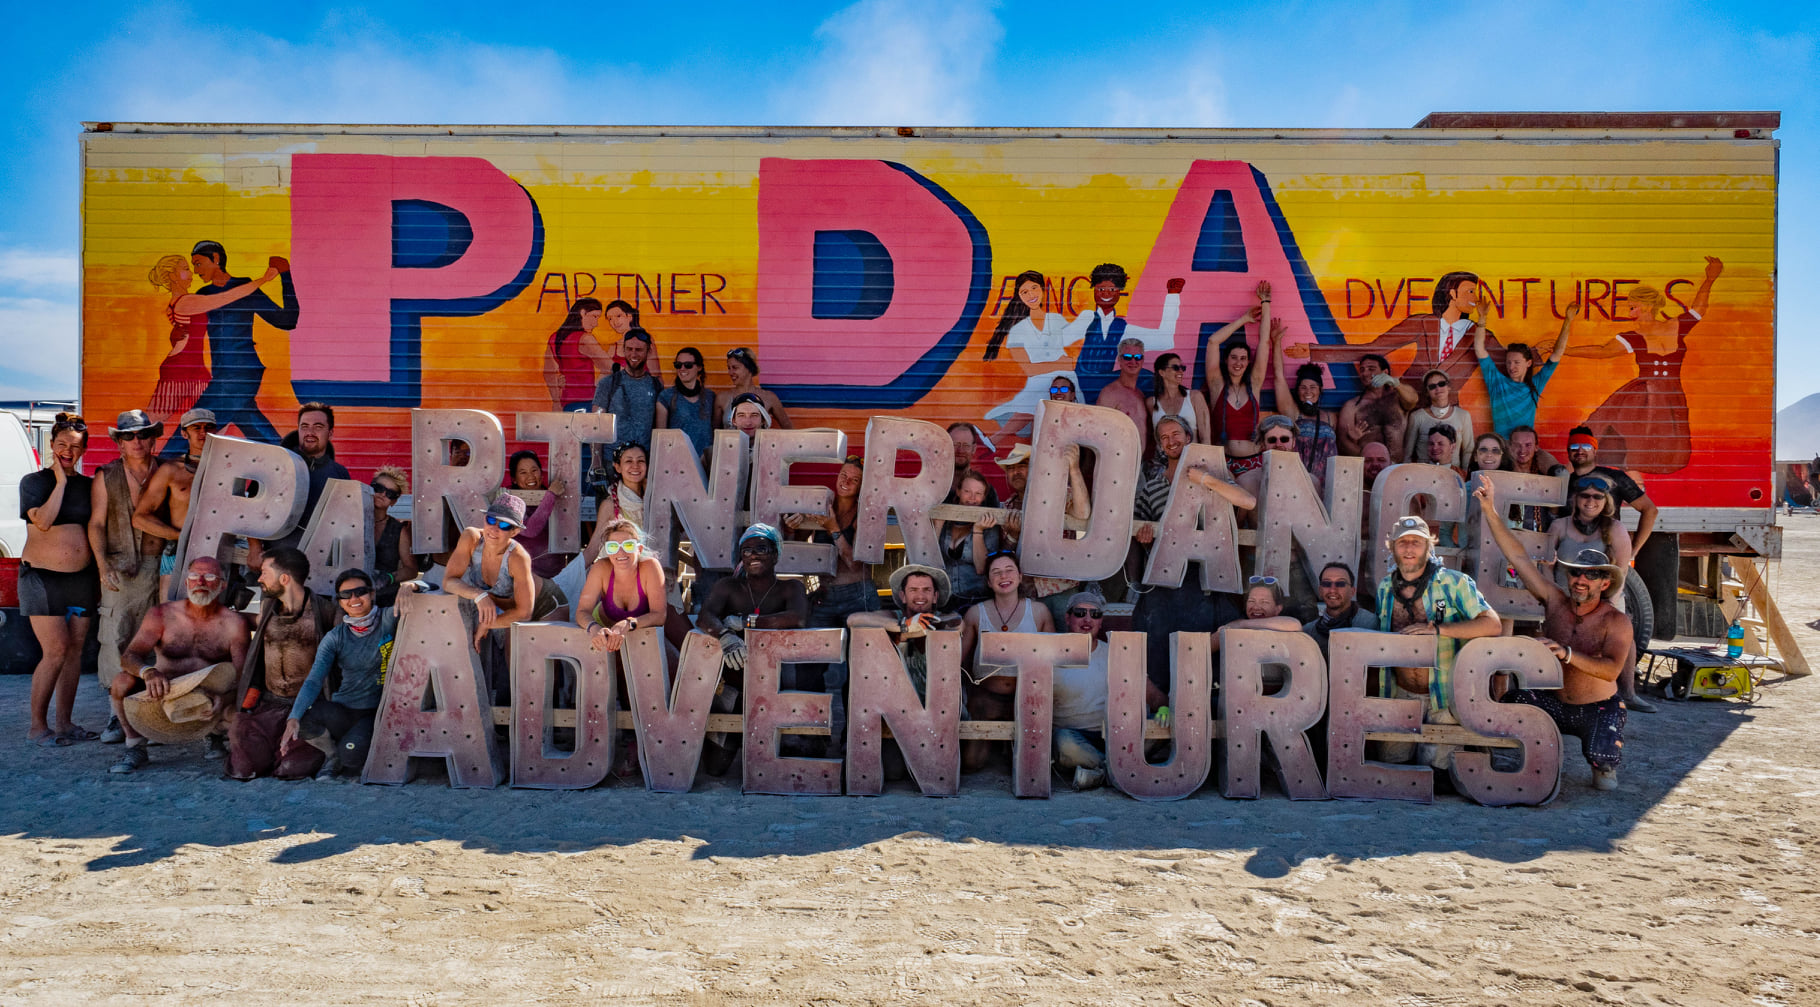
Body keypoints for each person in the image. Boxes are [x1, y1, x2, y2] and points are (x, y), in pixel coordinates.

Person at [1476, 481, 1634, 791]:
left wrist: (1567, 654)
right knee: (1513, 701)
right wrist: (1490, 510)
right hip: (1555, 703)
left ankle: (1601, 762)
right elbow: (1518, 557)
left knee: (1605, 777)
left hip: (1597, 707)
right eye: (1575, 572)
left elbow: (1612, 670)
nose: (1581, 579)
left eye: (1591, 575)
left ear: (1604, 583)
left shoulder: (1616, 621)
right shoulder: (1555, 601)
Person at [1130, 415, 1257, 682]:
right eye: (1164, 438)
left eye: (1176, 434)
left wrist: (1205, 479)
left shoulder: (1214, 473)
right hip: (1166, 585)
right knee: (1162, 661)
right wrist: (1145, 540)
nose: (1171, 441)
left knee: (1207, 665)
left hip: (1210, 582)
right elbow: (1139, 532)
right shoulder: (1152, 487)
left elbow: (1247, 501)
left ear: (1189, 437)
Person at [1567, 257, 1724, 473]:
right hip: (1642, 397)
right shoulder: (1634, 336)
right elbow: (1603, 351)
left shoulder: (1676, 326)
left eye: (1633, 307)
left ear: (1648, 306)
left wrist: (1710, 278)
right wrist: (1566, 350)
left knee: (1665, 438)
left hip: (1670, 394)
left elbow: (1699, 309)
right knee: (1625, 432)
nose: (1629, 312)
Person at [1372, 515, 1502, 770]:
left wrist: (1440, 630)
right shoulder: (1386, 588)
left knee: (1437, 773)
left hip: (1442, 696)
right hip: (1399, 693)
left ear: (1428, 546)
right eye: (1402, 542)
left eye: (1417, 542)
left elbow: (1492, 624)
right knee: (1393, 769)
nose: (1409, 548)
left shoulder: (1454, 583)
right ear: (1392, 547)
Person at [107, 557, 249, 773]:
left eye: (210, 576)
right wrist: (149, 672)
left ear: (222, 585)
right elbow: (129, 656)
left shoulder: (234, 623)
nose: (200, 582)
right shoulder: (162, 614)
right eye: (194, 576)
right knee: (121, 682)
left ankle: (214, 736)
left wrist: (225, 698)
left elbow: (242, 675)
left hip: (208, 697)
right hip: (163, 692)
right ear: (186, 583)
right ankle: (135, 746)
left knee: (241, 710)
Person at [694, 524, 810, 775]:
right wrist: (725, 635)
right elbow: (705, 616)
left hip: (776, 685)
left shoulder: (791, 588)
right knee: (715, 767)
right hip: (735, 684)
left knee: (779, 763)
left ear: (775, 555)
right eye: (746, 551)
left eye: (761, 549)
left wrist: (748, 622)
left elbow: (798, 617)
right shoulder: (728, 586)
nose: (753, 555)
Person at [162, 240, 300, 450]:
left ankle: (162, 464)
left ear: (216, 259)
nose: (196, 271)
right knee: (259, 431)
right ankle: (290, 461)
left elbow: (287, 320)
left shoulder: (245, 288)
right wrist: (177, 334)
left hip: (240, 373)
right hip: (223, 374)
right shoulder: (204, 294)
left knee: (192, 428)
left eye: (198, 263)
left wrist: (285, 275)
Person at [227, 548, 342, 781]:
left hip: (308, 709)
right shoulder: (266, 610)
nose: (260, 579)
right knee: (244, 768)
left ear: (284, 578)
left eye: (264, 573)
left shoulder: (327, 612)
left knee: (290, 768)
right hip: (270, 705)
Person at [1290, 269, 1501, 395]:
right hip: (1406, 403)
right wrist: (1314, 351)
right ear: (1452, 293)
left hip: (1446, 412)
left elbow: (1510, 363)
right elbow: (1374, 349)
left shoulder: (1480, 335)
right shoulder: (1422, 323)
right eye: (1470, 291)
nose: (1476, 298)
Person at [21, 414, 100, 747]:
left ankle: (65, 723)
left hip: (81, 580)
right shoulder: (34, 482)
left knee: (74, 652)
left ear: (84, 450)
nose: (68, 451)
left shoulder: (90, 486)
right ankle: (37, 727)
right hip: (42, 578)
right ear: (52, 445)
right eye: (63, 444)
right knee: (56, 649)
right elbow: (43, 521)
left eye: (76, 446)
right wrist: (61, 482)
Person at [88, 409, 166, 742]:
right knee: (115, 634)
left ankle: (154, 714)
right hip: (121, 566)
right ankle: (115, 714)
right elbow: (96, 523)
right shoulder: (106, 475)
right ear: (119, 443)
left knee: (158, 638)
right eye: (128, 436)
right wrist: (103, 565)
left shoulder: (167, 470)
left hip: (161, 565)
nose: (137, 441)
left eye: (143, 434)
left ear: (153, 439)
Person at [789, 456, 876, 751]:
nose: (846, 481)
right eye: (843, 474)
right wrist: (793, 525)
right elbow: (798, 546)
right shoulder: (820, 505)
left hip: (858, 595)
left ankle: (855, 739)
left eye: (854, 479)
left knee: (862, 669)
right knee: (809, 665)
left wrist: (834, 528)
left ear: (863, 486)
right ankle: (812, 738)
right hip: (823, 595)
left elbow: (855, 562)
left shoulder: (866, 513)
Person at [1549, 473, 1653, 713]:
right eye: (1585, 496)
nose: (1590, 501)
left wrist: (1606, 607)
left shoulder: (1616, 529)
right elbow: (1546, 564)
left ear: (1606, 501)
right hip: (1564, 596)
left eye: (1597, 497)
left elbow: (1621, 572)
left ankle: (1628, 692)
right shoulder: (1559, 526)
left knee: (1621, 630)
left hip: (1603, 597)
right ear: (1575, 499)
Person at [848, 564, 963, 782]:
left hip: (938, 712)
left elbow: (957, 623)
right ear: (902, 595)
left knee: (971, 762)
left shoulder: (947, 617)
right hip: (899, 712)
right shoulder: (892, 616)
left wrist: (920, 629)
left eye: (926, 590)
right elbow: (854, 619)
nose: (920, 596)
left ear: (935, 596)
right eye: (913, 590)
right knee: (894, 771)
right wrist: (903, 626)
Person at [430, 495, 552, 699]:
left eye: (504, 525)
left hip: (545, 605)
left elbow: (524, 612)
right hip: (500, 606)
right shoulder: (471, 537)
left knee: (526, 670)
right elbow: (449, 581)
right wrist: (479, 595)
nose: (494, 528)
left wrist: (486, 625)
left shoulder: (519, 557)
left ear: (515, 531)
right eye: (491, 520)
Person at [280, 568, 398, 779]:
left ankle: (347, 750)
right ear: (340, 602)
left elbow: (430, 588)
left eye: (360, 592)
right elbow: (314, 680)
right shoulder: (335, 637)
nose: (354, 599)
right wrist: (293, 717)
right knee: (303, 719)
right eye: (346, 595)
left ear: (372, 594)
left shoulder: (388, 619)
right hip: (343, 709)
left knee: (351, 757)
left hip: (374, 712)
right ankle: (332, 756)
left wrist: (411, 586)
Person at [144, 253, 285, 424]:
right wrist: (263, 280)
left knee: (209, 422)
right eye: (186, 269)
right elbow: (227, 297)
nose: (192, 273)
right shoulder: (186, 301)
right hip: (179, 369)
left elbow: (186, 330)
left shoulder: (184, 301)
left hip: (198, 370)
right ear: (173, 276)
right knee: (155, 421)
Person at [959, 550, 1056, 772]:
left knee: (1027, 766)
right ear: (988, 582)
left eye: (1009, 570)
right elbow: (959, 660)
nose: (1003, 576)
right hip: (986, 698)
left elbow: (1052, 660)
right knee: (972, 762)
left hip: (1026, 698)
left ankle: (1007, 748)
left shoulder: (1039, 612)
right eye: (996, 572)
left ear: (1020, 577)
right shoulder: (975, 613)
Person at [1059, 263, 1184, 403]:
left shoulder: (1121, 327)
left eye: (1112, 289)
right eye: (1101, 289)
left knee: (1145, 377)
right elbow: (1059, 340)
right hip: (1084, 382)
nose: (1106, 293)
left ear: (1119, 291)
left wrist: (1173, 296)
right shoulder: (1088, 318)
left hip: (1105, 383)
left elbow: (1164, 341)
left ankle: (1179, 401)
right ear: (1094, 290)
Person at [998, 442, 1091, 620]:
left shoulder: (1060, 494)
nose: (1015, 472)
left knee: (1065, 637)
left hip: (1060, 587)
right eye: (1010, 468)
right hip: (1024, 592)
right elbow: (1003, 555)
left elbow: (1083, 514)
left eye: (1022, 466)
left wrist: (1074, 469)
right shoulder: (1008, 506)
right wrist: (1013, 537)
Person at [134, 408, 218, 597]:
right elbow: (140, 518)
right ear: (184, 433)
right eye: (196, 427)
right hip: (178, 554)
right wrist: (178, 536)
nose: (203, 432)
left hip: (216, 554)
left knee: (211, 613)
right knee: (171, 612)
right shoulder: (171, 470)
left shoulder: (228, 468)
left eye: (209, 427)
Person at [983, 270, 1076, 440]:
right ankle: (997, 441)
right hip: (1037, 385)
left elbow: (1076, 353)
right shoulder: (1017, 331)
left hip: (1065, 384)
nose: (1031, 295)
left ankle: (994, 440)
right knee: (1037, 409)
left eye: (1034, 288)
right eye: (1024, 292)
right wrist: (1060, 364)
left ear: (1042, 289)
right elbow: (1030, 370)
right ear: (1019, 296)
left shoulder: (1057, 320)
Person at [1049, 594, 1125, 791]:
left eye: (1095, 614)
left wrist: (1163, 709)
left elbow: (1148, 692)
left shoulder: (1115, 652)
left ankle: (1100, 773)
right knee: (1063, 742)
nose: (1087, 619)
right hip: (1072, 738)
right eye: (1080, 613)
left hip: (1114, 735)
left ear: (1101, 621)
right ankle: (1120, 772)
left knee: (1158, 725)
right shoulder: (1050, 655)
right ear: (1068, 618)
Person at [259, 402, 351, 558]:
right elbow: (252, 510)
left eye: (318, 427)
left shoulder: (340, 473)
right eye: (304, 426)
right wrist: (255, 548)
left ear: (330, 433)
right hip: (278, 559)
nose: (310, 432)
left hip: (321, 560)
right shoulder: (276, 465)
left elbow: (346, 522)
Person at [1478, 300, 1574, 436]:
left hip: (1525, 445)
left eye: (1516, 362)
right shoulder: (1496, 382)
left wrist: (1568, 320)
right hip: (1501, 446)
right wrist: (1482, 319)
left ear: (1528, 363)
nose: (1511, 366)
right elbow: (1479, 350)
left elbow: (1557, 354)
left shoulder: (1536, 384)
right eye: (1508, 362)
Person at [1563, 426, 1658, 558]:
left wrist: (1633, 551)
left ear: (1594, 451)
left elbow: (1650, 510)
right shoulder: (1563, 483)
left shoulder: (1615, 478)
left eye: (1586, 446)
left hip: (1608, 556)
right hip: (1570, 556)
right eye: (1574, 446)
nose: (1580, 450)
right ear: (1568, 452)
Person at [1202, 281, 1272, 454]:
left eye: (1243, 359)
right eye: (1233, 358)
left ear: (1248, 362)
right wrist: (1244, 319)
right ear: (1226, 360)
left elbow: (1264, 342)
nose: (1238, 363)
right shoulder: (1217, 384)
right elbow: (1213, 341)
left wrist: (1266, 303)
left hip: (1253, 460)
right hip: (1224, 461)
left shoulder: (1254, 383)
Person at [1269, 320, 1339, 488]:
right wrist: (1276, 342)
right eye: (1303, 387)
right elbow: (1279, 377)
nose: (1308, 392)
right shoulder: (1292, 413)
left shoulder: (1331, 418)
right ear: (1297, 391)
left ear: (1320, 390)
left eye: (1313, 387)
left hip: (1326, 486)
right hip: (1296, 484)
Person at [593, 327, 664, 451]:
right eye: (629, 349)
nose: (633, 354)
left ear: (648, 352)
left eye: (639, 350)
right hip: (611, 460)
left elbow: (660, 430)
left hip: (643, 460)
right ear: (624, 350)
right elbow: (596, 426)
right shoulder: (608, 383)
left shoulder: (655, 385)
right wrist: (596, 459)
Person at [940, 472, 1000, 610]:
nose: (972, 498)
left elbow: (981, 568)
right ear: (958, 491)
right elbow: (931, 562)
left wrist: (978, 530)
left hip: (976, 601)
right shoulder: (945, 522)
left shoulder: (990, 524)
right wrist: (938, 525)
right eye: (967, 491)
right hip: (944, 599)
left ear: (984, 497)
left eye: (978, 493)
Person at [506, 449, 570, 579]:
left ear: (541, 474)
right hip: (523, 576)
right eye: (523, 472)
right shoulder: (510, 501)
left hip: (556, 576)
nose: (530, 476)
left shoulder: (556, 496)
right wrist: (550, 495)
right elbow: (530, 530)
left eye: (534, 470)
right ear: (514, 479)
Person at [1336, 354, 1414, 457]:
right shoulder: (1352, 406)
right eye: (1362, 370)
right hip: (1367, 464)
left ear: (1385, 373)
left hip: (1397, 464)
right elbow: (1343, 442)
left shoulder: (1399, 398)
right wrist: (1370, 459)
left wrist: (1395, 382)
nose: (1365, 373)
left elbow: (1412, 400)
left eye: (1371, 369)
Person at [543, 297, 613, 411]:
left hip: (567, 404)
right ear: (582, 313)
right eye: (594, 316)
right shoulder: (585, 339)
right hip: (587, 403)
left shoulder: (555, 338)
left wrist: (556, 401)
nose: (596, 324)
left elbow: (549, 373)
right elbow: (610, 367)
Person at [654, 346, 719, 458]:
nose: (682, 369)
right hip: (678, 462)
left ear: (699, 367)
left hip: (706, 462)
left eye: (688, 365)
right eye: (678, 365)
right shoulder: (666, 397)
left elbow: (715, 433)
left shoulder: (711, 397)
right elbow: (661, 438)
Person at [1303, 562, 1377, 659]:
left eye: (1340, 584)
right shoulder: (1308, 632)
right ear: (1320, 591)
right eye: (1326, 583)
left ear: (1352, 591)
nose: (1332, 590)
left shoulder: (1369, 624)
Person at [368, 464, 418, 605]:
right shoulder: (351, 522)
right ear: (369, 488)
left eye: (390, 493)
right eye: (378, 488)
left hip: (386, 600)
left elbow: (411, 569)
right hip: (354, 599)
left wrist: (389, 577)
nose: (383, 494)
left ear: (394, 501)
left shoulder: (399, 530)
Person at [1096, 337, 1155, 455]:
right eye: (1127, 357)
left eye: (1138, 357)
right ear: (1119, 360)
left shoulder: (1140, 394)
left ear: (1143, 360)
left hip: (1139, 462)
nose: (1133, 361)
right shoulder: (1110, 394)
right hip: (1116, 460)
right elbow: (1097, 433)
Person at [1404, 370, 1473, 468]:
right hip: (1424, 472)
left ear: (1448, 387)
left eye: (1441, 384)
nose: (1438, 389)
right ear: (1427, 392)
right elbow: (1407, 453)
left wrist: (1464, 473)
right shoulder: (1417, 417)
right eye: (1432, 386)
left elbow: (1468, 450)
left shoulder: (1463, 415)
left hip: (1452, 473)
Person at [1146, 351, 1211, 445]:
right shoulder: (1151, 403)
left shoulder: (1195, 397)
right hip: (1163, 454)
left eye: (1182, 368)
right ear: (1162, 372)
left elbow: (1205, 437)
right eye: (1175, 368)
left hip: (1190, 454)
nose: (1180, 371)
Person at [1506, 425, 1564, 532]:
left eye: (1528, 445)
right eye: (1517, 445)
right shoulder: (1502, 477)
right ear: (1510, 447)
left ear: (1536, 447)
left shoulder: (1546, 479)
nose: (1522, 450)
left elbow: (1554, 517)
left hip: (1539, 537)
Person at [723, 347, 793, 429]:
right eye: (729, 368)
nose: (730, 372)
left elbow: (789, 429)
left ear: (749, 368)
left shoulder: (769, 398)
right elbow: (714, 432)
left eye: (735, 368)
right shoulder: (722, 398)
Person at [945, 422, 1000, 506]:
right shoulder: (931, 487)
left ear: (974, 449)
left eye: (966, 445)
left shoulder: (988, 492)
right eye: (955, 445)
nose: (960, 450)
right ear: (946, 446)